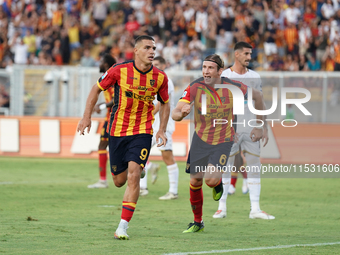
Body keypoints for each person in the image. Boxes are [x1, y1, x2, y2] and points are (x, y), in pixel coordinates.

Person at [77, 35, 170, 240]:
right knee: (119, 181)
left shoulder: (160, 77)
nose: (152, 51)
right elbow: (96, 88)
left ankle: (123, 226)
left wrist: (161, 129)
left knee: (133, 175)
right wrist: (86, 117)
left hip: (142, 131)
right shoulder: (119, 70)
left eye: (154, 48)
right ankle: (140, 167)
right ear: (136, 50)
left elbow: (165, 103)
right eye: (147, 47)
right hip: (117, 131)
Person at [172, 54, 265, 233]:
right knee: (195, 180)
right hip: (200, 139)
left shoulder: (234, 87)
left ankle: (217, 184)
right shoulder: (195, 87)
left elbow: (258, 98)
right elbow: (175, 112)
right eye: (204, 67)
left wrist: (259, 126)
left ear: (220, 71)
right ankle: (197, 222)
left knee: (210, 180)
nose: (206, 71)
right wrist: (182, 113)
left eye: (210, 68)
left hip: (224, 139)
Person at [213, 42, 275, 220]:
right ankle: (221, 208)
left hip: (250, 127)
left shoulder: (255, 76)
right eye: (246, 54)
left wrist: (263, 127)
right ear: (237, 55)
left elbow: (260, 103)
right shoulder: (223, 75)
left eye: (250, 54)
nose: (249, 57)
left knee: (254, 165)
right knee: (225, 166)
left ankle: (255, 209)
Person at [139, 56, 179, 200]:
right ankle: (142, 187)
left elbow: (161, 104)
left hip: (164, 125)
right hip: (151, 126)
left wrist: (146, 115)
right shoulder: (153, 80)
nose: (153, 66)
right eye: (152, 64)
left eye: (157, 64)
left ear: (164, 65)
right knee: (140, 155)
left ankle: (173, 191)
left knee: (167, 157)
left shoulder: (166, 81)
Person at [87, 54, 117, 189]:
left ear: (106, 65)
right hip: (110, 117)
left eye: (101, 62)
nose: (99, 64)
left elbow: (116, 99)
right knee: (105, 146)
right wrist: (100, 104)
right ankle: (103, 180)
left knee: (104, 146)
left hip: (113, 118)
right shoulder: (107, 77)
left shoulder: (112, 78)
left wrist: (102, 106)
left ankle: (103, 180)